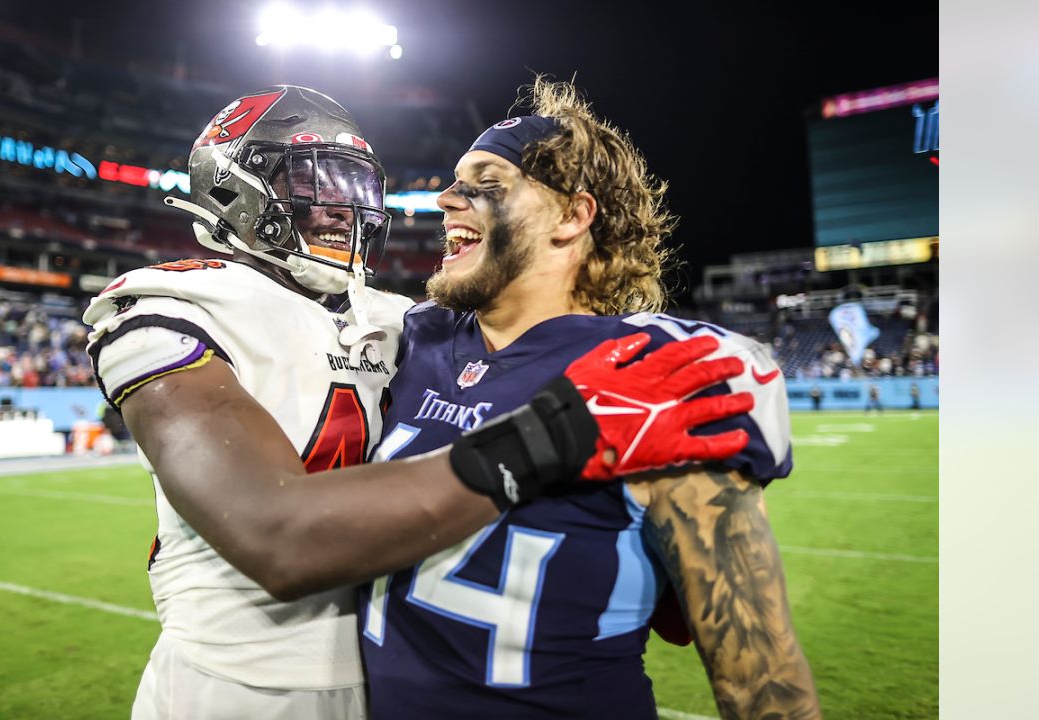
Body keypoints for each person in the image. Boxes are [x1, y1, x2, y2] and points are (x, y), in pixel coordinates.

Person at [85, 86, 755, 719]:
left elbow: (549, 329)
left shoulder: (405, 321)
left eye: (354, 189)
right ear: (237, 186)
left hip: (393, 687)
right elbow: (277, 539)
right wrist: (554, 434)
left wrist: (714, 396)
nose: (343, 210)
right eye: (317, 187)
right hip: (233, 689)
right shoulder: (165, 305)